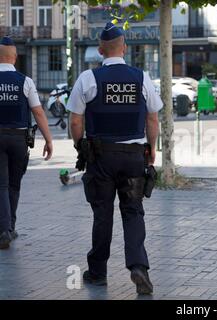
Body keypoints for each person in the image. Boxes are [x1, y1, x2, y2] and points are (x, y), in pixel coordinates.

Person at [66, 22, 162, 295]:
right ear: (125, 49)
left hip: (101, 157)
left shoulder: (87, 78)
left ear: (100, 51)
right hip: (134, 156)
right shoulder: (141, 78)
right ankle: (139, 267)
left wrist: (79, 146)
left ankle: (97, 273)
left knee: (102, 214)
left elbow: (75, 120)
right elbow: (153, 117)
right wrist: (151, 148)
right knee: (133, 212)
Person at [0, 36, 53, 250]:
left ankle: (4, 229)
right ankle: (9, 227)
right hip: (18, 139)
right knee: (14, 184)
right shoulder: (25, 81)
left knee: (1, 185)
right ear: (14, 58)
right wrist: (48, 139)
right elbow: (38, 112)